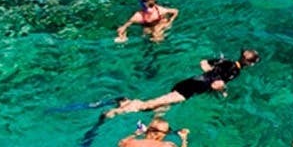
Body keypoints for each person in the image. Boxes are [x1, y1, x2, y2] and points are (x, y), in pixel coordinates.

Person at [105, 49, 260, 118]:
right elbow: (215, 85)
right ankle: (119, 109)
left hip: (190, 81)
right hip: (195, 88)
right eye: (253, 63)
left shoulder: (225, 60)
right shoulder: (235, 72)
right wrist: (223, 89)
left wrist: (210, 74)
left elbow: (203, 63)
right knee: (150, 105)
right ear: (249, 63)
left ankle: (131, 105)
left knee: (161, 109)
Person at [115, 0, 179, 43]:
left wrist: (170, 21)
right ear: (143, 3)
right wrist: (121, 35)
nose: (151, 2)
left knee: (158, 33)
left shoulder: (160, 10)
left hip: (159, 25)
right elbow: (123, 27)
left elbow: (176, 11)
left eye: (152, 0)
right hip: (147, 27)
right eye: (148, 1)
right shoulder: (139, 16)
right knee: (146, 34)